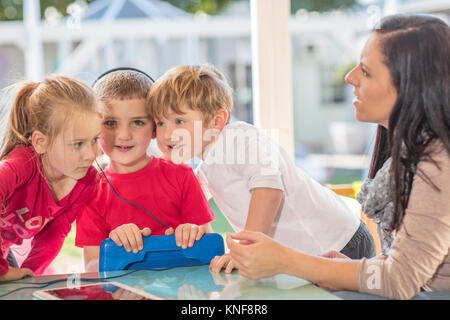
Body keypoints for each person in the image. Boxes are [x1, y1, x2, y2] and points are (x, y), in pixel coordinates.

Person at [225, 14, 450, 300]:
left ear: (410, 86)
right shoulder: (410, 152)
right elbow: (404, 264)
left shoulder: (438, 164)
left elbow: (400, 279)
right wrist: (350, 270)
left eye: (366, 72)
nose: (350, 77)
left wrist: (288, 261)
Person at [146, 64, 376, 274]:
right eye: (160, 123)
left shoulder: (238, 137)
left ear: (216, 121)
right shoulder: (207, 167)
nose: (166, 134)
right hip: (306, 256)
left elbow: (268, 189)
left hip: (339, 242)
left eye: (178, 121)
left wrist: (246, 250)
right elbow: (187, 204)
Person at [75, 68, 215, 272]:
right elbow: (91, 267)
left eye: (138, 122)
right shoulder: (90, 192)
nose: (123, 135)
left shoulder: (181, 176)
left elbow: (210, 254)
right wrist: (116, 248)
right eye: (111, 123)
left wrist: (193, 234)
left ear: (155, 129)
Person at [0, 75, 102, 282]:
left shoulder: (87, 181)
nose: (91, 154)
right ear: (40, 142)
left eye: (95, 139)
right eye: (77, 144)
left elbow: (54, 234)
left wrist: (29, 277)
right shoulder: (20, 165)